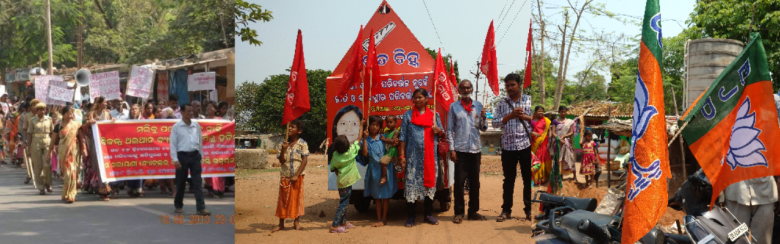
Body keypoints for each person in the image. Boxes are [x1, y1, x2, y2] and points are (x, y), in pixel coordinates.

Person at [491, 73, 534, 222]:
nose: (509, 88)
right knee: (508, 179)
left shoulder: (529, 100)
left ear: (519, 84)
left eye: (512, 85)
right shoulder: (502, 103)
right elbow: (495, 123)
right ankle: (506, 210)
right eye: (507, 85)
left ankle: (529, 210)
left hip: (526, 145)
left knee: (527, 179)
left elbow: (540, 121)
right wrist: (511, 115)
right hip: (508, 147)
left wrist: (525, 117)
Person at [399, 88, 444, 227]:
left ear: (426, 99)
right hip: (413, 158)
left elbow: (443, 135)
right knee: (411, 185)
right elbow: (403, 137)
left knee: (429, 185)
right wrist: (402, 155)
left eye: (420, 97)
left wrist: (439, 131)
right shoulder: (408, 115)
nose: (417, 100)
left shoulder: (434, 115)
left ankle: (428, 214)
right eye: (415, 97)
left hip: (430, 157)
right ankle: (411, 216)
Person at [446, 80, 488, 224]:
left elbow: (483, 128)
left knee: (475, 183)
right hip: (460, 150)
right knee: (459, 182)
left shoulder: (478, 105)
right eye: (463, 88)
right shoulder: (454, 106)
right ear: (459, 90)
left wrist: (483, 118)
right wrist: (452, 149)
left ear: (472, 89)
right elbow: (449, 130)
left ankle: (473, 212)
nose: (466, 89)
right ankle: (458, 213)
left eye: (468, 87)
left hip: (475, 149)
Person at [170, 104, 209, 215]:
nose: (191, 113)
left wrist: (200, 155)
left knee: (197, 182)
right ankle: (178, 205)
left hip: (195, 156)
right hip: (182, 156)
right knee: (181, 183)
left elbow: (200, 141)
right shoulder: (176, 127)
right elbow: (173, 144)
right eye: (188, 111)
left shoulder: (196, 125)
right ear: (182, 112)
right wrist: (175, 159)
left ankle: (201, 208)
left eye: (192, 111)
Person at [272, 119, 310, 233]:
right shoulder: (282, 144)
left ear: (299, 131)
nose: (289, 129)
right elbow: (282, 161)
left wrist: (297, 175)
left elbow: (304, 160)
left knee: (296, 199)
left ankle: (296, 222)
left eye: (293, 127)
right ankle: (281, 224)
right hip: (285, 175)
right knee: (283, 200)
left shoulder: (303, 143)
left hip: (297, 176)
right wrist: (283, 149)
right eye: (289, 127)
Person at [361, 115, 398, 227]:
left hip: (385, 169)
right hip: (374, 169)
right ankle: (378, 219)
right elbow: (365, 154)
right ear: (369, 126)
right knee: (377, 197)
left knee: (385, 196)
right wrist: (364, 138)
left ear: (380, 127)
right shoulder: (366, 139)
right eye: (372, 124)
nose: (374, 127)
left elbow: (393, 143)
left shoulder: (383, 137)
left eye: (377, 125)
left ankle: (384, 218)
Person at [329, 130, 363, 233]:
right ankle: (334, 226)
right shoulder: (351, 152)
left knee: (344, 201)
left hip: (341, 183)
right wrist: (361, 126)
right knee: (343, 204)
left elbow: (332, 168)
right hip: (347, 183)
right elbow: (359, 139)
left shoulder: (335, 155)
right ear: (348, 145)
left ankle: (343, 223)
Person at [48, 106, 83, 203]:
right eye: (68, 113)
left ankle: (71, 195)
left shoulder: (76, 124)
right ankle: (65, 194)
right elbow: (53, 141)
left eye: (72, 113)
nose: (70, 115)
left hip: (74, 152)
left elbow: (81, 138)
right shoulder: (58, 126)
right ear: (63, 114)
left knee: (72, 173)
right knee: (67, 174)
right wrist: (49, 152)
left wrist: (84, 150)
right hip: (63, 152)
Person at [85, 96, 113, 201]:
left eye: (106, 102)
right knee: (98, 165)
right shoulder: (92, 114)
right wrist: (89, 122)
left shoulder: (108, 114)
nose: (106, 104)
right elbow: (85, 128)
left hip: (105, 143)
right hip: (95, 142)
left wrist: (112, 122)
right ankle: (101, 187)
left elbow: (111, 127)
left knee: (105, 164)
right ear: (100, 103)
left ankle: (105, 189)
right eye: (105, 102)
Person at [28, 102, 53, 195]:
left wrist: (53, 146)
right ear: (37, 111)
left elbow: (52, 133)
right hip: (36, 142)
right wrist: (28, 148)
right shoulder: (32, 120)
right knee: (38, 166)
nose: (42, 111)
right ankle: (41, 187)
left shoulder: (49, 119)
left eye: (43, 109)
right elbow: (29, 134)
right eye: (39, 110)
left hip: (47, 141)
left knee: (47, 164)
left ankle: (48, 183)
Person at [203, 101, 225, 198]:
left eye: (211, 107)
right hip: (207, 149)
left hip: (218, 149)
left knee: (217, 169)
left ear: (215, 109)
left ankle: (218, 189)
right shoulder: (203, 121)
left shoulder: (220, 120)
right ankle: (211, 188)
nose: (208, 109)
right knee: (209, 169)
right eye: (207, 107)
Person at [553, 106, 578, 181]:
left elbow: (571, 132)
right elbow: (553, 132)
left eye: (565, 111)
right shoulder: (555, 121)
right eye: (562, 112)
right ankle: (560, 176)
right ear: (559, 112)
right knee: (559, 158)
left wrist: (564, 136)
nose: (563, 113)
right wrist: (558, 138)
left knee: (570, 157)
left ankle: (574, 176)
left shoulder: (569, 121)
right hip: (557, 142)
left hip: (566, 142)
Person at [530, 106, 553, 185]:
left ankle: (545, 178)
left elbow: (550, 131)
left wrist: (549, 141)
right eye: (539, 111)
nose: (541, 113)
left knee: (545, 159)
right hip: (534, 143)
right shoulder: (531, 121)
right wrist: (532, 133)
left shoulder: (546, 121)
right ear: (535, 112)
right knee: (536, 160)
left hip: (544, 143)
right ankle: (536, 179)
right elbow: (527, 130)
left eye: (542, 111)